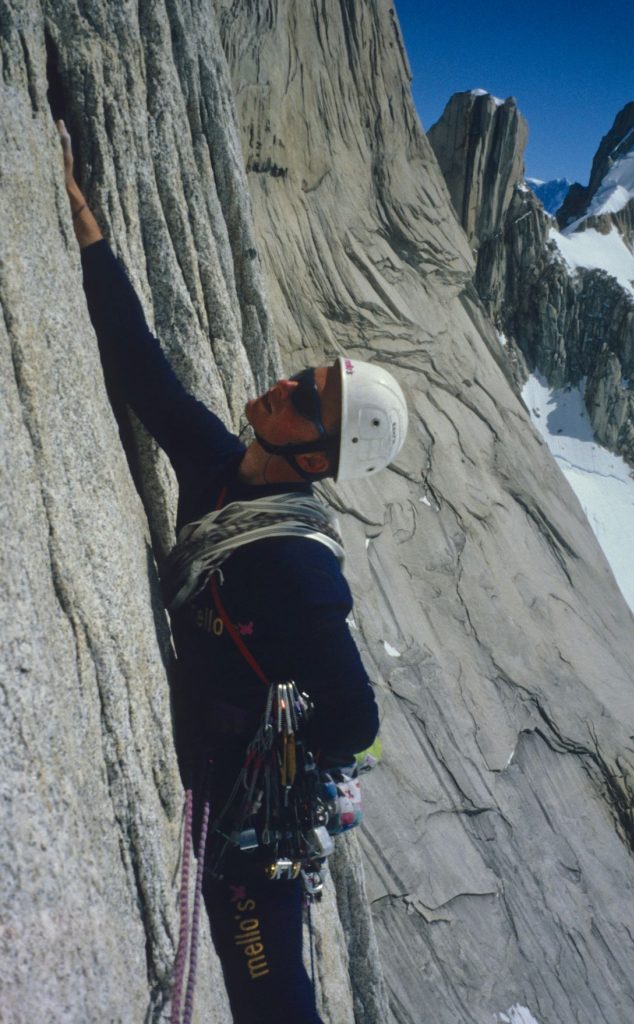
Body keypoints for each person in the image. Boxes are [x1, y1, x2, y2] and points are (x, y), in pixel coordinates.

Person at [57, 120, 408, 1023]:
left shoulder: (296, 567)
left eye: (305, 398)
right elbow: (148, 379)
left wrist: (270, 757)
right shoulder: (223, 466)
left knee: (271, 999)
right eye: (301, 373)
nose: (283, 384)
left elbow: (356, 715)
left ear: (317, 460)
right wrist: (91, 236)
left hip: (253, 820)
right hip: (223, 775)